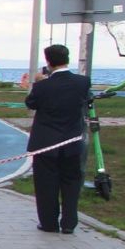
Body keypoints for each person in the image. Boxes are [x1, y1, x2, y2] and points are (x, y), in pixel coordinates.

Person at [25, 45, 91, 234]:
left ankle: (49, 222)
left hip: (46, 143)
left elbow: (31, 103)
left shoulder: (42, 86)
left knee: (46, 184)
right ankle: (69, 223)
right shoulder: (82, 82)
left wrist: (37, 83)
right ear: (67, 59)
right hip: (72, 141)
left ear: (48, 62)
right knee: (71, 181)